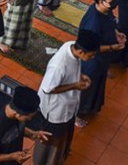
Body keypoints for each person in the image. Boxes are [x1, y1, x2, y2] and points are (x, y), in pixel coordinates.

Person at [34, 30, 98, 163]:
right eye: (91, 56)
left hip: (69, 106)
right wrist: (75, 85)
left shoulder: (72, 46)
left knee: (63, 137)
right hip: (55, 111)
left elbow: (71, 70)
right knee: (50, 143)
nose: (92, 58)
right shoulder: (59, 65)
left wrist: (79, 76)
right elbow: (48, 89)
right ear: (81, 52)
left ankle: (61, 155)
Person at [78, 0, 126, 122]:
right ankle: (79, 113)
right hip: (92, 61)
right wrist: (112, 47)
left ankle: (93, 107)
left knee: (98, 83)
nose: (115, 0)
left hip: (102, 61)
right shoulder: (93, 23)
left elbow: (111, 23)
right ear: (101, 1)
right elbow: (92, 48)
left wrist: (117, 34)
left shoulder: (105, 10)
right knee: (87, 87)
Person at [0, 86, 49, 164]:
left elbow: (17, 128)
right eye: (28, 118)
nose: (30, 120)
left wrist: (33, 134)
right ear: (17, 114)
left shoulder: (14, 112)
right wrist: (12, 156)